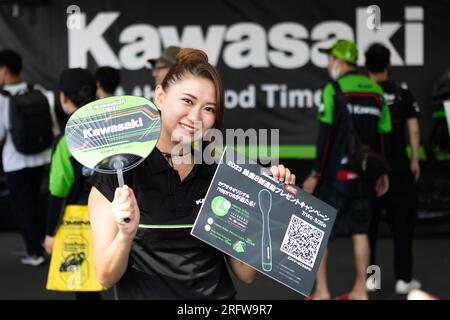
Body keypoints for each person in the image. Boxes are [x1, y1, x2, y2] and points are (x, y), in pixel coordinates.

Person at [88, 48, 296, 299]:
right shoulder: (118, 174)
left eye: (209, 108)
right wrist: (125, 235)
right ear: (161, 97)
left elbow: (246, 274)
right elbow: (105, 276)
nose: (196, 117)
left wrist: (271, 207)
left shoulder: (222, 174)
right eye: (187, 101)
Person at [302, 39, 392, 300]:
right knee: (360, 231)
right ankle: (360, 291)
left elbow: (326, 136)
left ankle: (322, 291)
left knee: (319, 233)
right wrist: (382, 172)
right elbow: (384, 137)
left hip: (334, 177)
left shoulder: (333, 88)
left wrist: (315, 174)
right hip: (365, 176)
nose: (328, 64)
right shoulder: (376, 90)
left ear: (339, 61)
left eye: (330, 59)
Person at [365, 43, 422, 295]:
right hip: (400, 169)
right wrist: (415, 160)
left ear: (366, 66)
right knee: (402, 226)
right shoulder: (403, 93)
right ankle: (403, 279)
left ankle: (370, 279)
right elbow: (414, 129)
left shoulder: (364, 94)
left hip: (372, 169)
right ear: (388, 64)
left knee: (368, 227)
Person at [43, 68, 102, 300]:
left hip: (80, 226)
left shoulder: (65, 141)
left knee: (87, 288)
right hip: (122, 221)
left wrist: (50, 233)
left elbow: (57, 191)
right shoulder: (117, 131)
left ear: (63, 97)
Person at [0, 49, 52, 266]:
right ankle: (43, 243)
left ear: (4, 70)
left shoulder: (2, 98)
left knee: (23, 207)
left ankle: (34, 252)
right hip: (40, 157)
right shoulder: (35, 89)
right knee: (37, 203)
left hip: (15, 160)